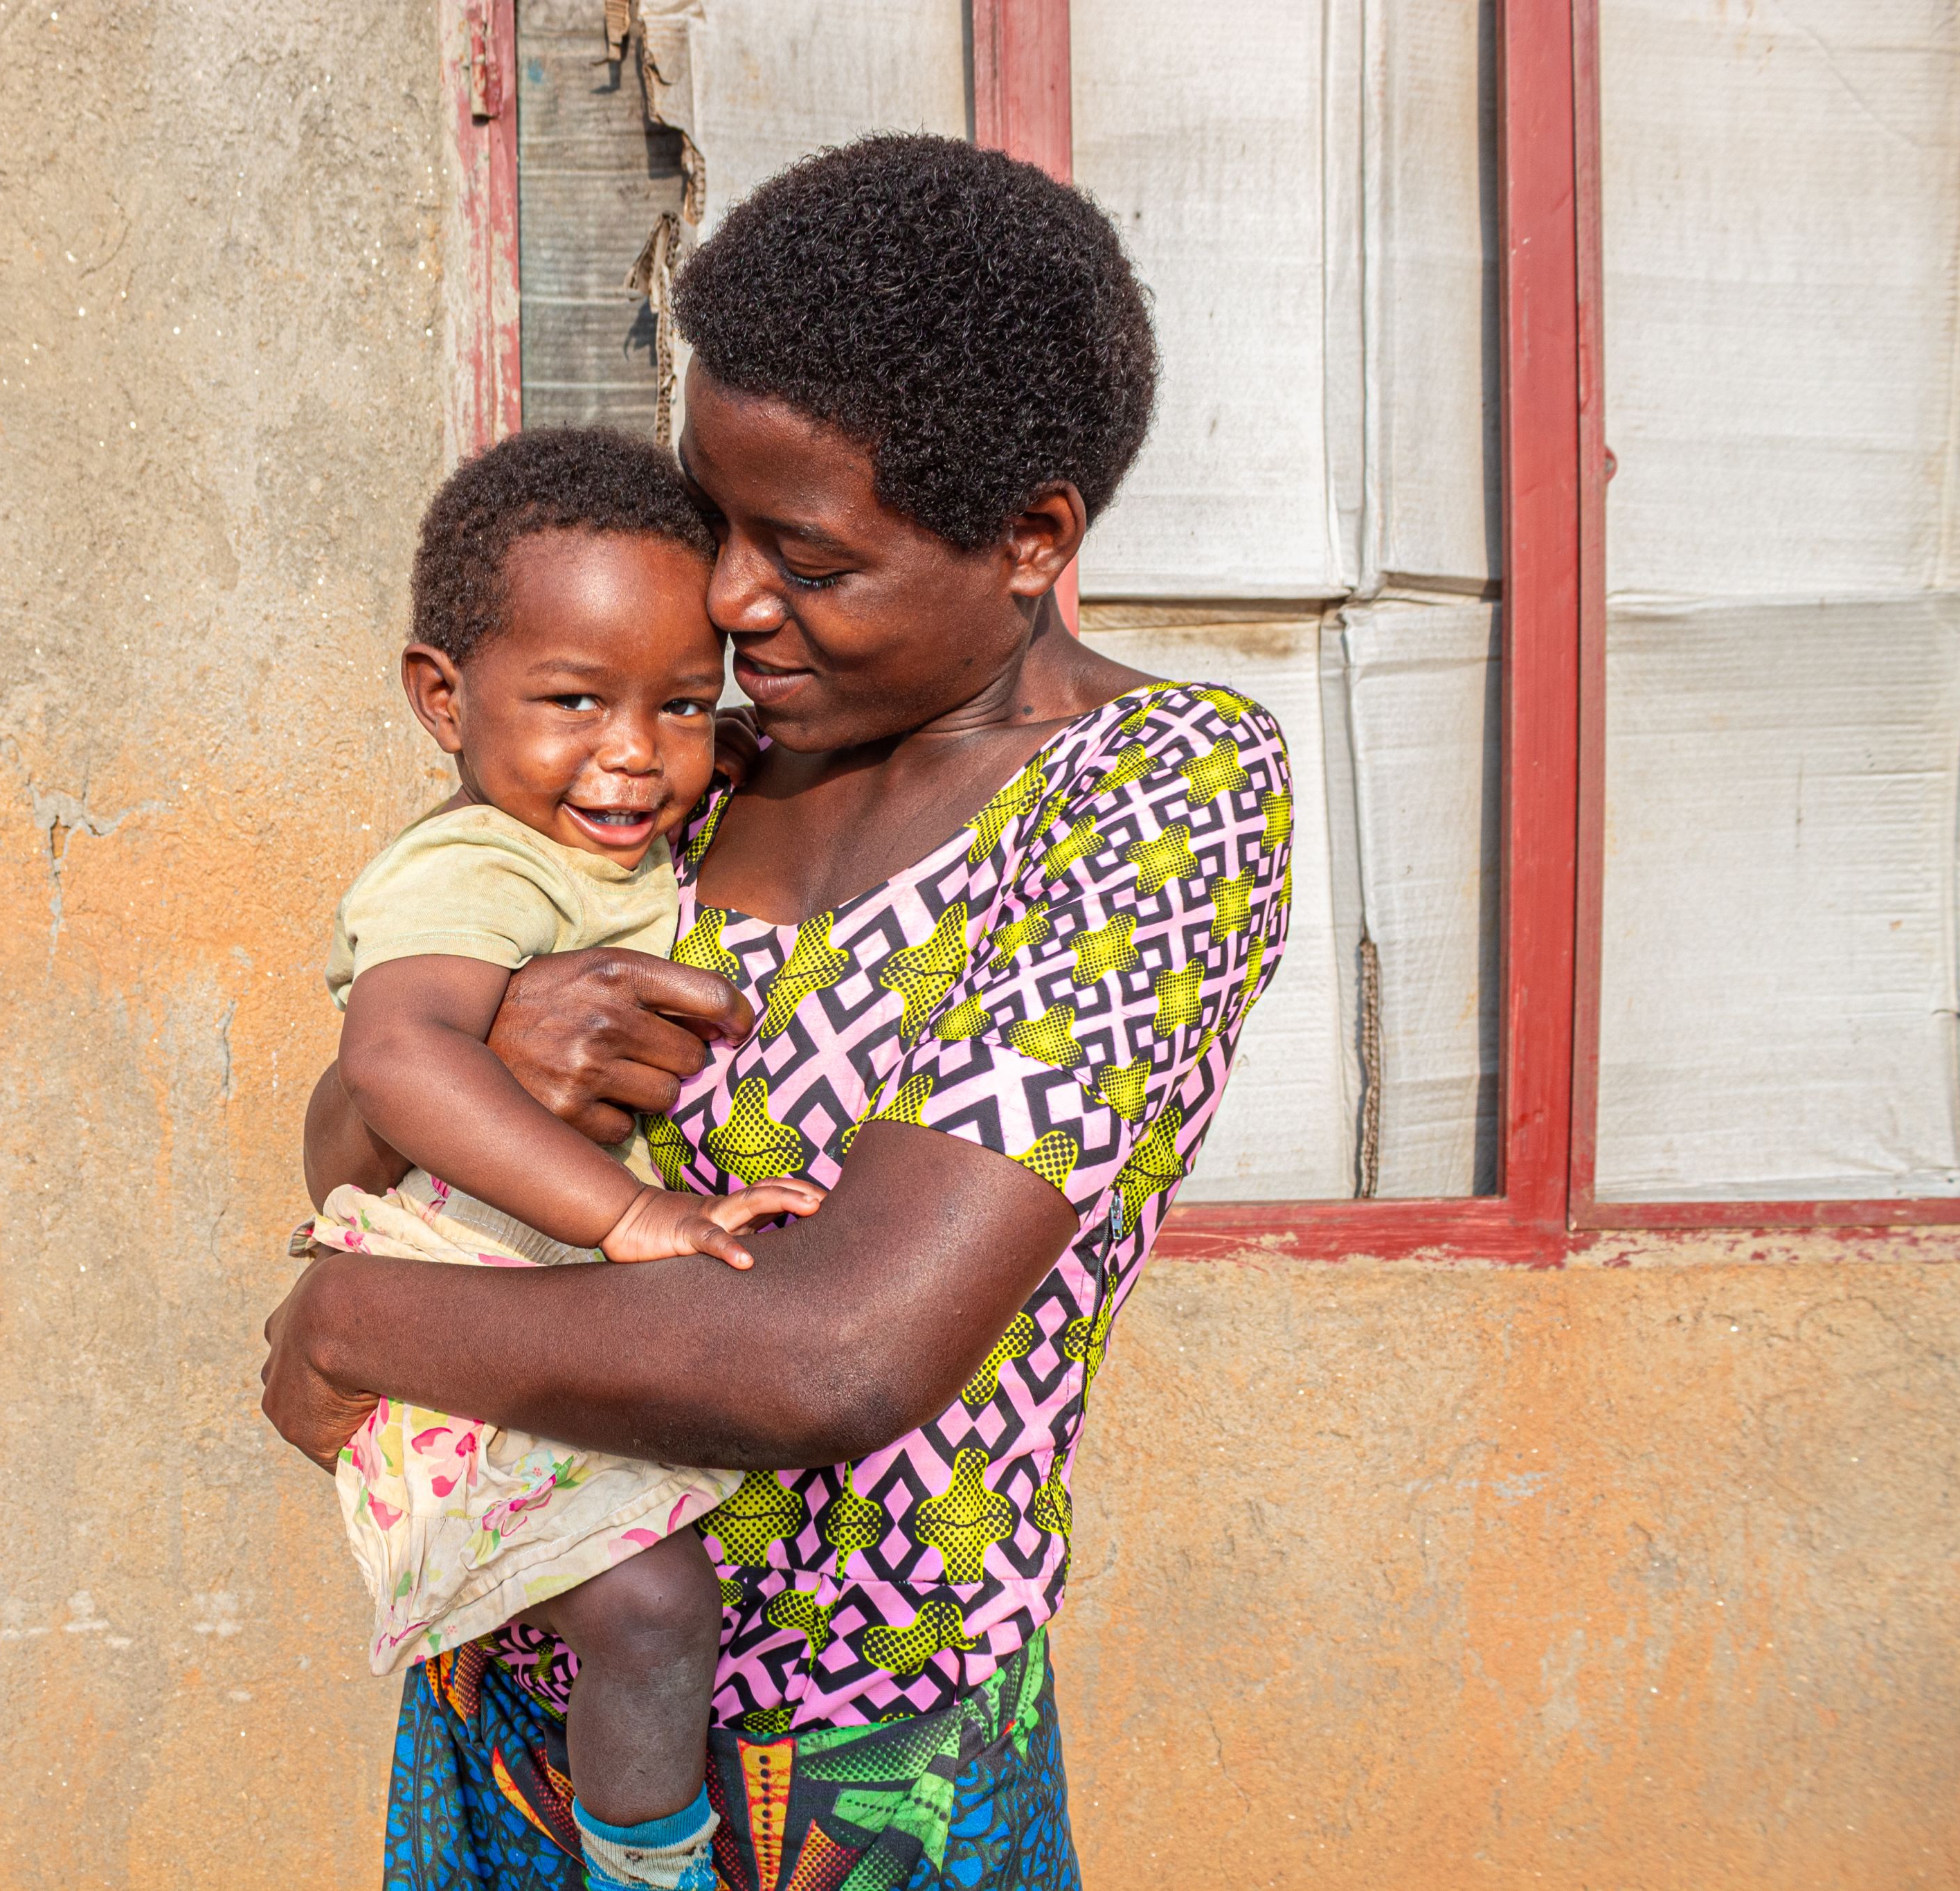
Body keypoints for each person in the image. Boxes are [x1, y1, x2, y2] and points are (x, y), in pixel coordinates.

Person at [266, 134, 1295, 1891]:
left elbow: (835, 1354)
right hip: (527, 1693)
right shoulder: (684, 758)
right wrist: (485, 1061)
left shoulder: (1150, 796)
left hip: (860, 1766)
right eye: (712, 517)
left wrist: (358, 1323)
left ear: (1031, 538)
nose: (732, 600)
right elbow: (361, 1114)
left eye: (805, 557)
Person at [307, 424, 825, 1891]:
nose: (628, 754)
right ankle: (641, 1868)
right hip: (461, 1306)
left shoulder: (612, 837)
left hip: (536, 1291)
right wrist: (633, 1218)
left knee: (656, 1606)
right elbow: (398, 1060)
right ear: (439, 696)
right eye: (572, 700)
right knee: (653, 1609)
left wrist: (725, 741)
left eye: (675, 704)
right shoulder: (470, 867)